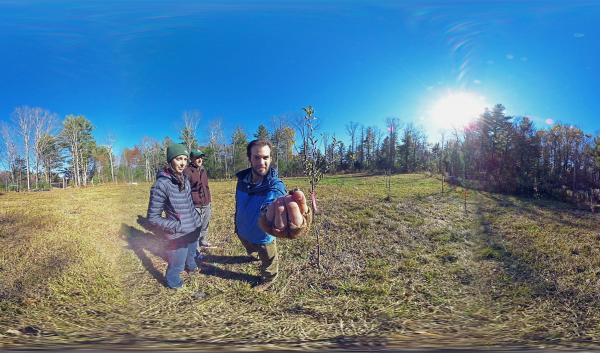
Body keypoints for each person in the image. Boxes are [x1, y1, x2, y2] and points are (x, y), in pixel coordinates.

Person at [234, 139, 312, 290]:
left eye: (266, 157)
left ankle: (269, 278)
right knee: (251, 248)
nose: (262, 162)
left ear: (270, 158)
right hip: (242, 230)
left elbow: (273, 201)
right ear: (249, 158)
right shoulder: (242, 180)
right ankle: (253, 253)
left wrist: (273, 214)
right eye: (257, 157)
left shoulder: (275, 185)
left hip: (263, 235)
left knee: (268, 258)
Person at [147, 143, 202, 290]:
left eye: (185, 158)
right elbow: (152, 217)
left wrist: (196, 219)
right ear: (170, 160)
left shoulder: (184, 178)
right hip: (177, 234)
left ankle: (191, 267)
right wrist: (177, 226)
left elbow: (188, 203)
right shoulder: (161, 184)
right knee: (177, 263)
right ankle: (173, 283)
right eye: (178, 159)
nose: (183, 163)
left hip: (193, 227)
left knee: (191, 254)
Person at [183, 149, 213, 250]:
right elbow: (184, 189)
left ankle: (203, 240)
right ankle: (196, 250)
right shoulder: (187, 171)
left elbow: (206, 186)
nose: (200, 159)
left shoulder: (203, 170)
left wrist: (209, 199)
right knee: (196, 228)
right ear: (191, 159)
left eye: (201, 157)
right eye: (197, 157)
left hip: (206, 202)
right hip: (195, 205)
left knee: (205, 224)